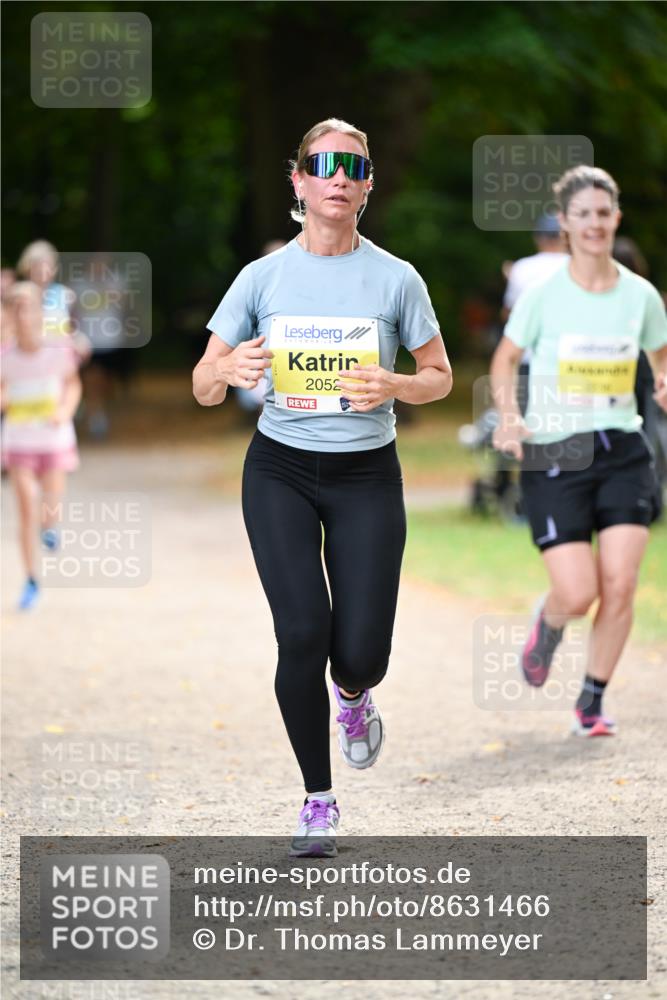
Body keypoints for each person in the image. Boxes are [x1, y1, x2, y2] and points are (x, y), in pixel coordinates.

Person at [193, 118, 452, 855]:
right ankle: (317, 798)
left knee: (360, 652)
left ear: (366, 185)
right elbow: (203, 384)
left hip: (366, 475)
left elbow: (439, 378)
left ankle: (354, 695)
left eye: (353, 165)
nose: (337, 176)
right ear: (299, 179)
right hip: (278, 469)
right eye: (322, 163)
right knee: (302, 631)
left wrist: (396, 382)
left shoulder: (396, 278)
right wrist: (227, 372)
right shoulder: (261, 278)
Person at [490, 165, 667, 737]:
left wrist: (664, 380)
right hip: (553, 449)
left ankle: (591, 701)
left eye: (603, 213)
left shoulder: (641, 296)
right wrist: (511, 417)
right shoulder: (543, 295)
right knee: (579, 591)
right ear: (565, 223)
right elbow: (505, 357)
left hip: (623, 449)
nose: (594, 223)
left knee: (619, 583)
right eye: (582, 214)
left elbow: (660, 357)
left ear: (616, 218)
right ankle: (550, 623)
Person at [1, 282, 82, 610]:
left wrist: (64, 411)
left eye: (28, 307)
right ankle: (31, 580)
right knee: (25, 506)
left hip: (53, 441)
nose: (23, 315)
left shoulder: (57, 349)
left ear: (38, 312)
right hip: (19, 441)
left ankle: (50, 526)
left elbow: (73, 384)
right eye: (16, 308)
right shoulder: (5, 355)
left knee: (50, 505)